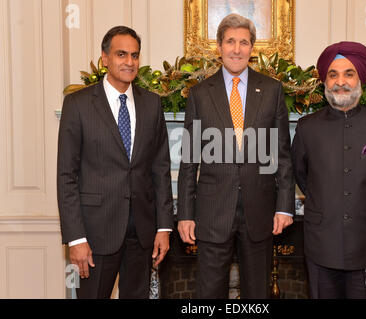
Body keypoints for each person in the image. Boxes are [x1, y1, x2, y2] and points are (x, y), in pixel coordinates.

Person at [177, 14, 295, 299]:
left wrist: (284, 207)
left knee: (258, 293)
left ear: (252, 48)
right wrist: (185, 214)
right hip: (212, 213)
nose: (237, 49)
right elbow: (189, 160)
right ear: (219, 47)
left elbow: (282, 154)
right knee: (209, 292)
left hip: (259, 211)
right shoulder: (199, 94)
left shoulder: (271, 90)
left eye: (244, 42)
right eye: (230, 41)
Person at [57, 26, 173, 299]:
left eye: (134, 55)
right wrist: (76, 238)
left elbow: (161, 169)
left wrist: (163, 227)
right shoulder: (78, 105)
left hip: (142, 234)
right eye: (121, 54)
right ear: (105, 58)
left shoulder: (152, 104)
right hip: (95, 234)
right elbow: (66, 176)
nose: (129, 62)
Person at [291, 41, 366, 299]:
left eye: (348, 73)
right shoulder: (306, 127)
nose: (340, 81)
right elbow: (301, 174)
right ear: (325, 81)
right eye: (333, 74)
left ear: (361, 79)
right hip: (321, 246)